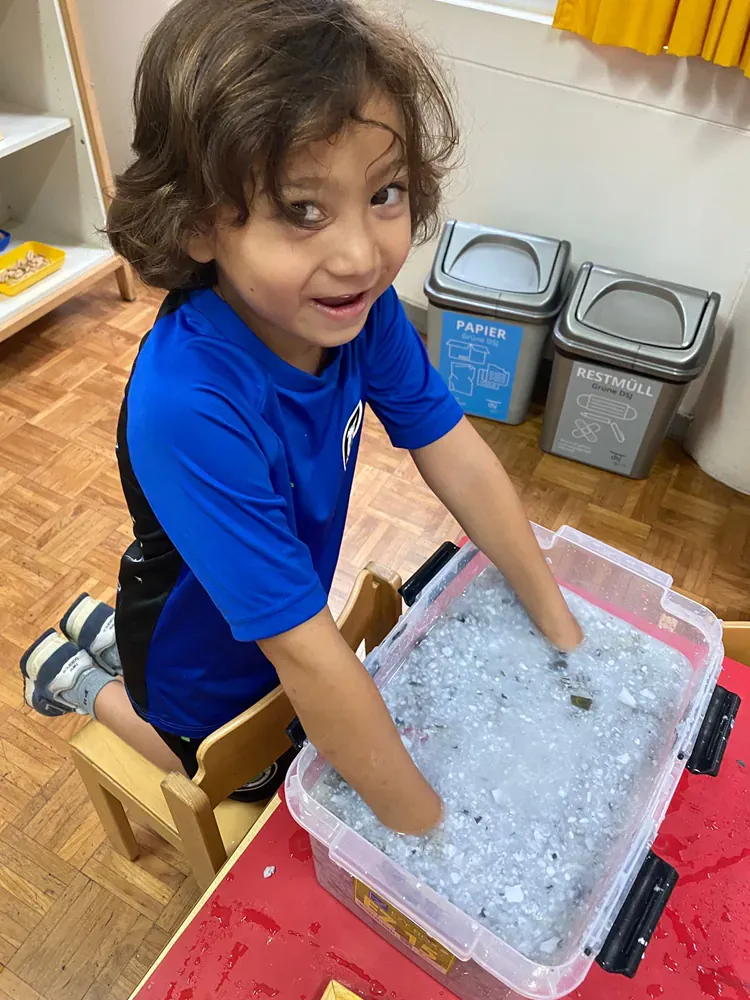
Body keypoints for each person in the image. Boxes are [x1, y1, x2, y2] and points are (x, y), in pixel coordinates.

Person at [20, 0, 581, 835]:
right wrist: (430, 836)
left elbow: (453, 449)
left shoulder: (358, 310)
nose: (361, 255)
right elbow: (308, 656)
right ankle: (81, 682)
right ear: (202, 221)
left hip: (273, 611)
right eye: (303, 210)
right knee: (240, 778)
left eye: (384, 193)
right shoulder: (190, 405)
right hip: (199, 665)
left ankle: (97, 635)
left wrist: (560, 624)